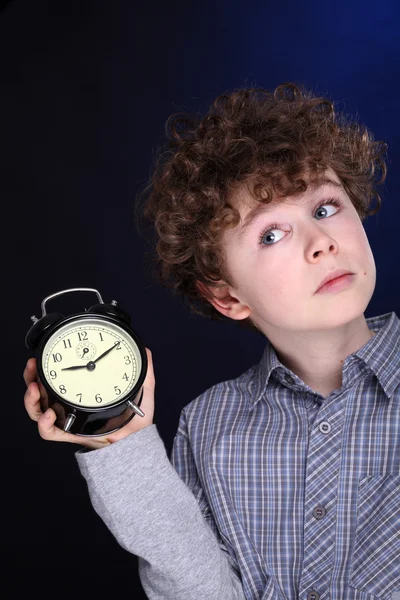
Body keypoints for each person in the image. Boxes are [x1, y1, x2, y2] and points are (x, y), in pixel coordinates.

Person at [23, 83, 400, 600]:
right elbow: (195, 586)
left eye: (326, 207)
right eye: (271, 234)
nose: (322, 243)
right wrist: (120, 443)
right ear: (227, 297)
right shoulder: (209, 425)